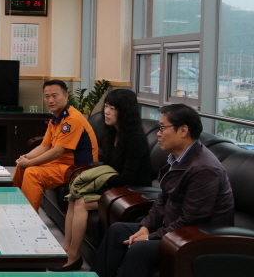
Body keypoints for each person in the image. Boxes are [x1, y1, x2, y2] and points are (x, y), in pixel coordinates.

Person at [92, 103, 234, 277]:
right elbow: (162, 199)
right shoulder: (177, 158)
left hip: (197, 239)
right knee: (117, 231)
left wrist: (150, 237)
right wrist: (146, 227)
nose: (158, 133)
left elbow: (192, 220)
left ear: (183, 130)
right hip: (173, 230)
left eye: (162, 128)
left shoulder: (204, 169)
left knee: (140, 248)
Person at [52, 89, 151, 272]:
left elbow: (128, 177)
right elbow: (107, 167)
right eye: (106, 106)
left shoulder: (135, 138)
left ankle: (74, 257)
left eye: (113, 108)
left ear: (125, 111)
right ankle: (66, 250)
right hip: (115, 186)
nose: (106, 112)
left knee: (81, 202)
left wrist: (98, 183)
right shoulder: (113, 132)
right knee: (74, 197)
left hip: (131, 191)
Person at [13, 79, 99, 212]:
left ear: (65, 96)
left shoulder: (72, 119)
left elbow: (58, 152)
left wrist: (29, 163)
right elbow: (44, 146)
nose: (50, 100)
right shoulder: (56, 118)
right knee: (21, 167)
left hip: (78, 168)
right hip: (61, 164)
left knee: (32, 172)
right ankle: (12, 207)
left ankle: (27, 218)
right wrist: (25, 158)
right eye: (47, 96)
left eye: (54, 95)